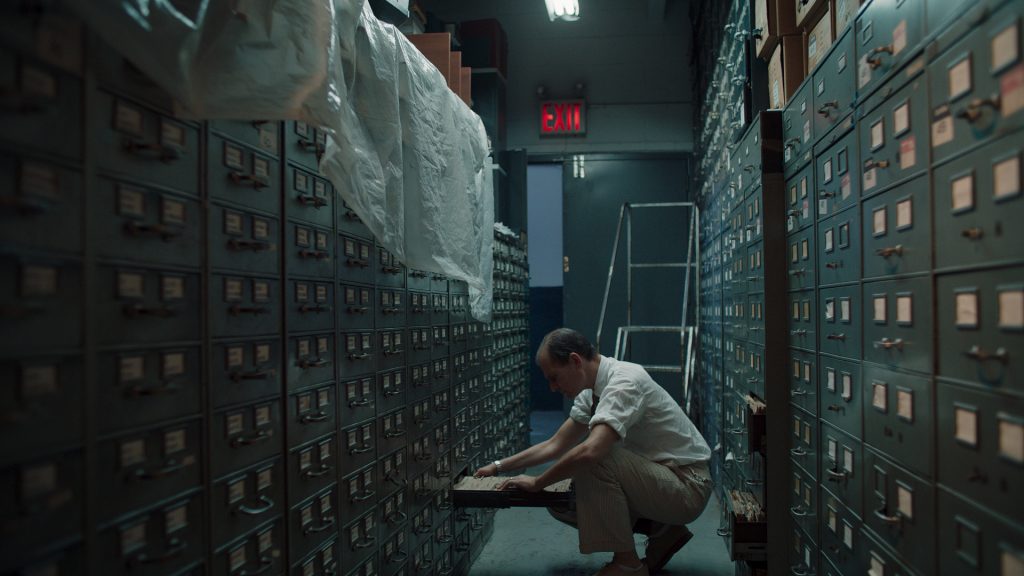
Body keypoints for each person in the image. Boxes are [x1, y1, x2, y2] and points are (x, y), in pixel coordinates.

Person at [474, 328, 713, 576]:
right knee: (563, 501)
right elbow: (555, 444)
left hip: (687, 485)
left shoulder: (624, 382)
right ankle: (662, 529)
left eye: (554, 377)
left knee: (595, 457)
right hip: (658, 479)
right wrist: (499, 466)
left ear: (575, 361)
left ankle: (628, 564)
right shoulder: (590, 391)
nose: (553, 387)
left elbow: (591, 452)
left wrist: (537, 480)